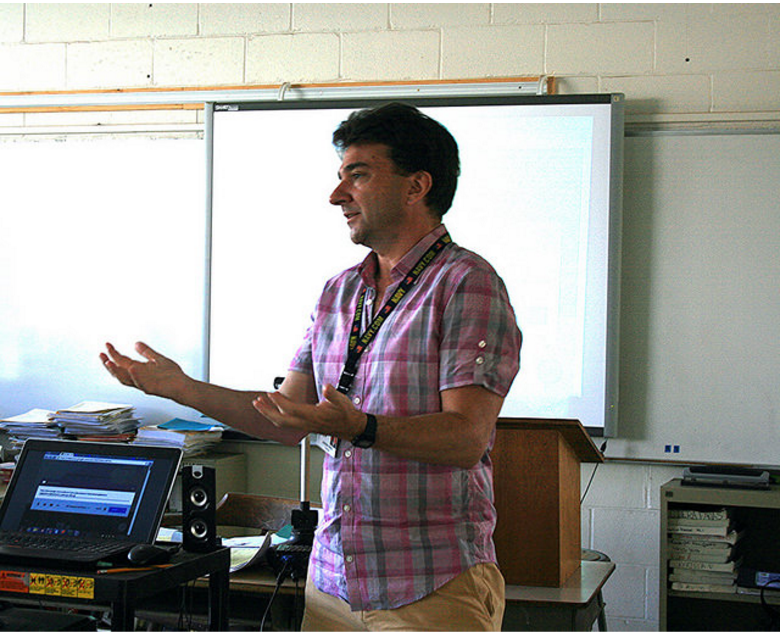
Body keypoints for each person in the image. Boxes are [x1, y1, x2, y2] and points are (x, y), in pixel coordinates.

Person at [101, 102, 522, 631]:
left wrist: (360, 428)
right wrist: (181, 388)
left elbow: (466, 438)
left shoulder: (467, 283)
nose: (336, 195)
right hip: (332, 583)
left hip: (430, 581)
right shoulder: (339, 291)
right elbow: (280, 419)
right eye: (340, 176)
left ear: (416, 187)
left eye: (358, 176)